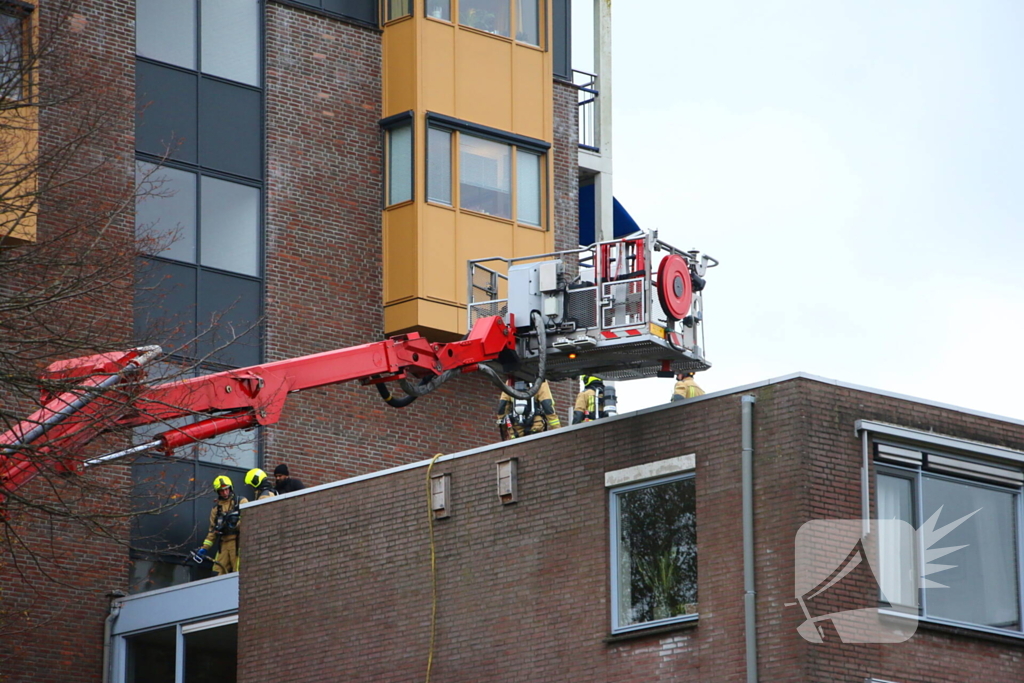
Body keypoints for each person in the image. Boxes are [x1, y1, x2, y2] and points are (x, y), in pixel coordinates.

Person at [195, 475, 247, 576]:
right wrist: (204, 548)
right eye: (221, 491)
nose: (225, 493)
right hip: (223, 544)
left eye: (226, 489)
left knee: (238, 572)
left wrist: (236, 524)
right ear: (217, 492)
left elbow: (249, 521)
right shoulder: (216, 509)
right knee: (217, 572)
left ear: (230, 488)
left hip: (238, 543)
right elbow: (212, 531)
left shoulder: (240, 502)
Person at [495, 380, 561, 440]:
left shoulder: (510, 382)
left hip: (516, 430)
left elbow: (502, 407)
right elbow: (547, 406)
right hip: (535, 426)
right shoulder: (540, 381)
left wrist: (504, 429)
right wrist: (557, 430)